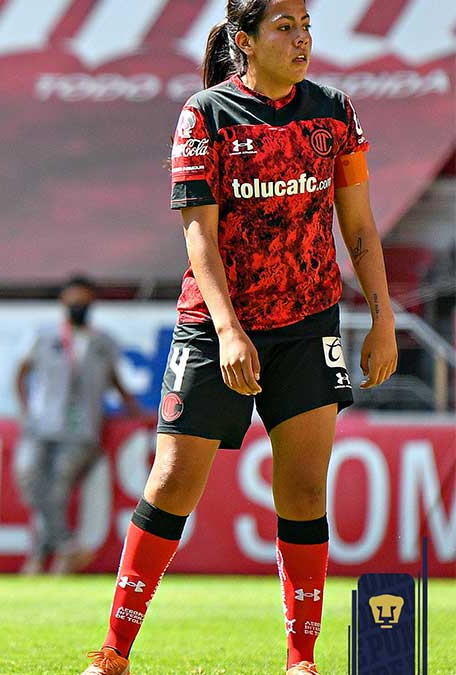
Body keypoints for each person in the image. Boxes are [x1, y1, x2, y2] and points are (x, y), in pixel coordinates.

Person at [79, 2, 398, 674]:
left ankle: (300, 657)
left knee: (306, 490)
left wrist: (382, 316)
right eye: (284, 25)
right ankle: (114, 651)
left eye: (306, 23)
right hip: (213, 327)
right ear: (242, 39)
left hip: (311, 322)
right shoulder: (207, 113)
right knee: (170, 483)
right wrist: (227, 331)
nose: (302, 36)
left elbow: (361, 227)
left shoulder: (334, 110)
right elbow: (198, 233)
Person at [14, 275, 141, 575]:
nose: (78, 308)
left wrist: (132, 408)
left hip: (82, 427)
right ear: (63, 303)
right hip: (42, 422)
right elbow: (21, 371)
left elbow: (113, 379)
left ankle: (41, 556)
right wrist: (25, 409)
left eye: (83, 302)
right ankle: (66, 548)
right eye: (73, 302)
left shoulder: (103, 342)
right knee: (29, 478)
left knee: (57, 487)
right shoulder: (44, 337)